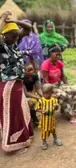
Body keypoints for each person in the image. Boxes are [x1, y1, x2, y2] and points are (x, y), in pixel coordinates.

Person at [0, 11, 34, 153]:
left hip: (17, 84)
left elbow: (28, 29)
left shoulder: (14, 43)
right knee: (12, 113)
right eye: (13, 35)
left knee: (19, 112)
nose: (16, 38)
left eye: (16, 35)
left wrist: (14, 21)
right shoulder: (2, 46)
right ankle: (12, 144)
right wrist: (2, 20)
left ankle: (22, 138)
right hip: (8, 85)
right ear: (4, 35)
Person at [41, 45, 76, 125]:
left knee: (72, 91)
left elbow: (63, 76)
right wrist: (51, 92)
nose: (58, 56)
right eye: (57, 54)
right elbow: (45, 80)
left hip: (59, 84)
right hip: (50, 86)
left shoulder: (59, 63)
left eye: (59, 54)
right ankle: (70, 116)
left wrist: (68, 86)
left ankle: (70, 109)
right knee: (64, 95)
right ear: (51, 54)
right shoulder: (45, 64)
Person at [36, 84, 63, 150]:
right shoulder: (41, 100)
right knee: (44, 131)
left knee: (53, 130)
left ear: (51, 93)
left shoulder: (54, 100)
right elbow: (36, 108)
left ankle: (55, 139)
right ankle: (44, 142)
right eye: (44, 93)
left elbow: (56, 109)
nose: (45, 95)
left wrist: (56, 107)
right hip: (44, 121)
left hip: (52, 119)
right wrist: (42, 111)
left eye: (47, 93)